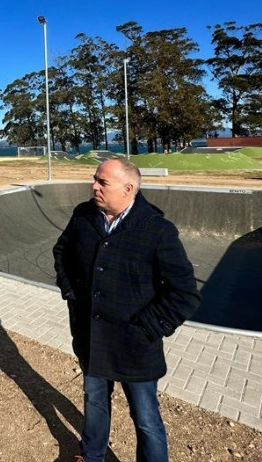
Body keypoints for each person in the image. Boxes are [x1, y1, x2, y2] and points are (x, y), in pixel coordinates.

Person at [53, 158, 201, 462]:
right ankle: (92, 456)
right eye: (95, 179)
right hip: (92, 338)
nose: (93, 186)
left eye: (102, 182)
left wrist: (146, 327)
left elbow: (184, 293)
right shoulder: (84, 215)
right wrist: (71, 293)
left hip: (135, 347)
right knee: (94, 401)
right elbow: (61, 252)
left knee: (146, 419)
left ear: (128, 188)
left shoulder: (157, 230)